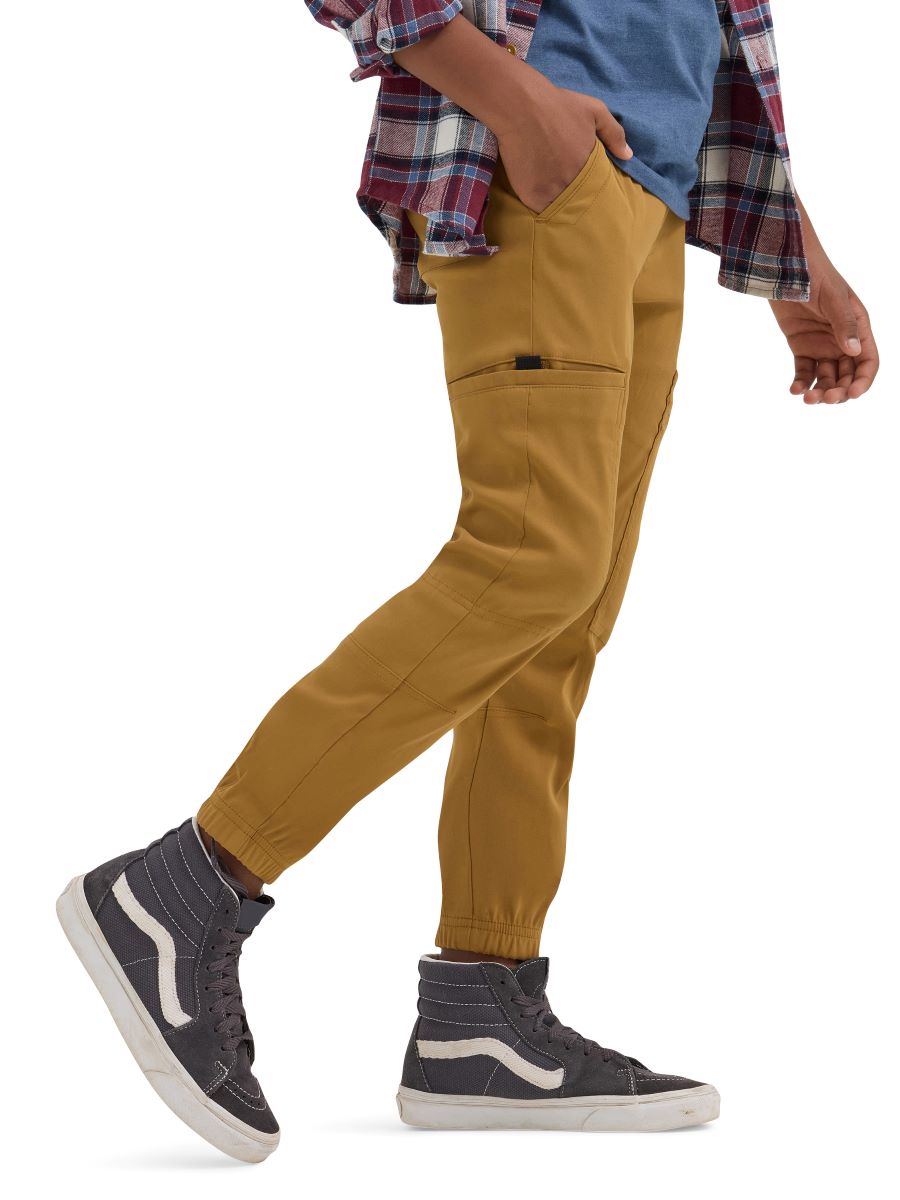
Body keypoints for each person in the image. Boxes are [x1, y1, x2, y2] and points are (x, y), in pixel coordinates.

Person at [57, 0, 879, 1161]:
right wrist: (522, 104)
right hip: (540, 167)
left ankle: (480, 1011)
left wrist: (796, 260)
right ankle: (184, 887)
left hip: (652, 196)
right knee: (532, 558)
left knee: (563, 616)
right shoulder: (532, 124)